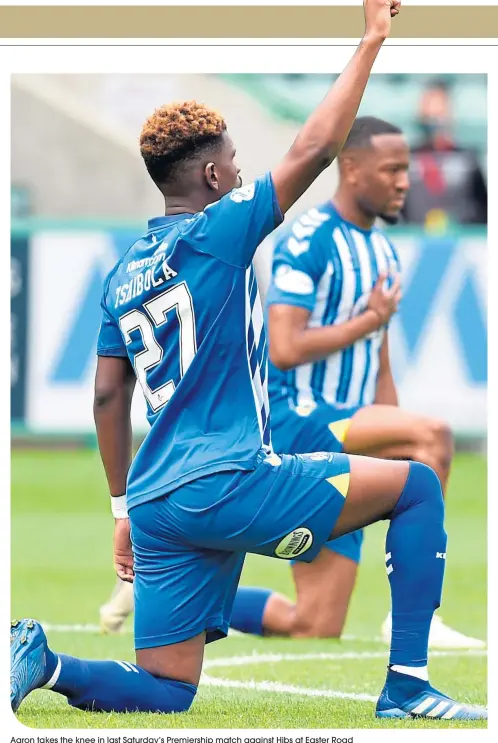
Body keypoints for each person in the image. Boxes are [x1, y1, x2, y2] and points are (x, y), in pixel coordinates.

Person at [11, 0, 486, 720]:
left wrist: (121, 509)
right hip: (230, 476)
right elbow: (315, 150)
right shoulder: (220, 232)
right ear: (208, 173)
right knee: (417, 485)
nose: (242, 170)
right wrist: (370, 41)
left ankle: (41, 659)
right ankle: (408, 685)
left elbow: (109, 398)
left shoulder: (125, 270)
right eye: (233, 158)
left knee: (168, 689)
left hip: (158, 502)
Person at [100, 117, 484, 651]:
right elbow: (284, 347)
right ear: (351, 169)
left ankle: (161, 588)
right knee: (433, 438)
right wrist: (367, 323)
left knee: (315, 622)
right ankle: (414, 621)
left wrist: (387, 423)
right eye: (393, 169)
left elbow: (380, 358)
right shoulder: (306, 238)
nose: (405, 182)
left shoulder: (383, 249)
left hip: (347, 428)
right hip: (299, 419)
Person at [401, 79, 487, 228]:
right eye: (428, 117)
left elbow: (482, 208)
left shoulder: (467, 160)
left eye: (438, 115)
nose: (434, 123)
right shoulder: (407, 159)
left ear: (450, 115)